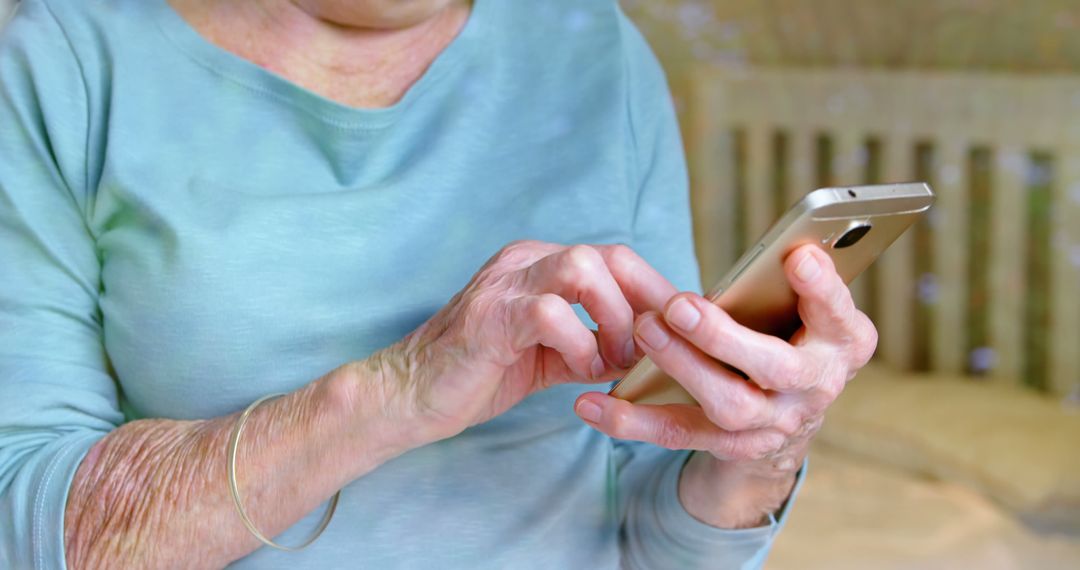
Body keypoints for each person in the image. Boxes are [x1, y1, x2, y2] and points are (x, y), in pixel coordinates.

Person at [0, 0, 878, 568]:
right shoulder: (64, 64)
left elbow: (655, 538)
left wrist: (761, 449)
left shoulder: (598, 46)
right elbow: (24, 529)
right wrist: (394, 390)